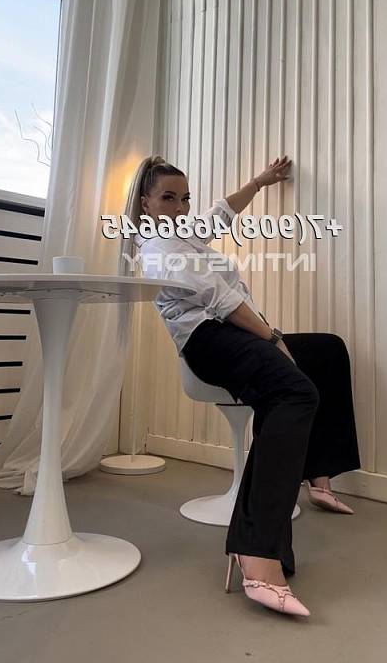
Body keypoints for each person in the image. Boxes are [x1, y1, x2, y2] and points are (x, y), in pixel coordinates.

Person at [122, 154, 361, 617]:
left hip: (233, 332)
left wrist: (261, 181)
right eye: (168, 198)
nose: (180, 207)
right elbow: (221, 299)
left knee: (327, 350)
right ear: (146, 204)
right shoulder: (157, 246)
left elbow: (222, 212)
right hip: (208, 340)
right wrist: (273, 338)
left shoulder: (185, 233)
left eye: (184, 198)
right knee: (294, 391)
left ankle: (318, 473)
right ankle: (255, 549)